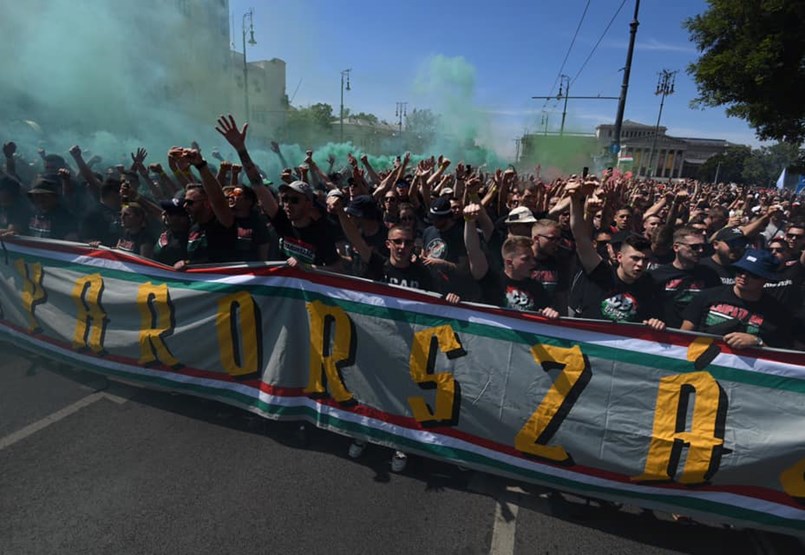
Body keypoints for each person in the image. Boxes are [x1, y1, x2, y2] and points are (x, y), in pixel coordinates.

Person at [327, 194, 459, 472]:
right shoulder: (377, 264)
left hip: (408, 348)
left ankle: (401, 444)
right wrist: (340, 212)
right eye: (396, 241)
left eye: (407, 242)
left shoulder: (423, 274)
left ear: (414, 246)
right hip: (374, 341)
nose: (401, 246)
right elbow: (355, 238)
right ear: (388, 244)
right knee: (368, 391)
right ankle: (362, 435)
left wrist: (451, 300)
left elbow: (439, 301)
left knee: (403, 396)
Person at [567, 179, 665, 329]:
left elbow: (653, 318)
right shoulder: (600, 272)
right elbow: (580, 237)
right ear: (619, 257)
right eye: (635, 258)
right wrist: (575, 200)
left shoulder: (649, 285)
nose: (640, 265)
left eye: (645, 260)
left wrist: (655, 323)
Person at [681, 249, 794, 349]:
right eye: (740, 270)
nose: (744, 276)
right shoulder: (707, 296)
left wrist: (757, 342)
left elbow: (781, 355)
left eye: (753, 274)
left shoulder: (777, 312)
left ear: (766, 279)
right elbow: (683, 335)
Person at [463, 203, 559, 317]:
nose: (533, 263)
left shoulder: (537, 288)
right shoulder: (491, 280)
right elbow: (473, 250)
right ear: (509, 262)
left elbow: (545, 313)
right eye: (526, 259)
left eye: (532, 258)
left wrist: (551, 313)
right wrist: (469, 221)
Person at [172, 148, 237, 269]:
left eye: (190, 203)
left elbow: (217, 199)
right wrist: (184, 263)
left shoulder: (223, 223)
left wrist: (201, 166)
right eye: (185, 202)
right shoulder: (193, 226)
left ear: (207, 204)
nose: (185, 206)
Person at [648, 226, 722, 329]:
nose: (700, 250)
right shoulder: (657, 275)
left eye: (702, 246)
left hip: (696, 336)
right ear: (676, 247)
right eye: (694, 247)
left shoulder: (710, 275)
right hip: (664, 333)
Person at [25, 176, 78, 241]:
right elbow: (18, 228)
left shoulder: (65, 217)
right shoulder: (29, 211)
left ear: (55, 197)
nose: (40, 199)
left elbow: (71, 241)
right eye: (36, 196)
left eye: (44, 196)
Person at [154, 196, 190, 266]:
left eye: (169, 213)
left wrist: (186, 263)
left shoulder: (189, 238)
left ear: (183, 218)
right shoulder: (170, 230)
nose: (164, 214)